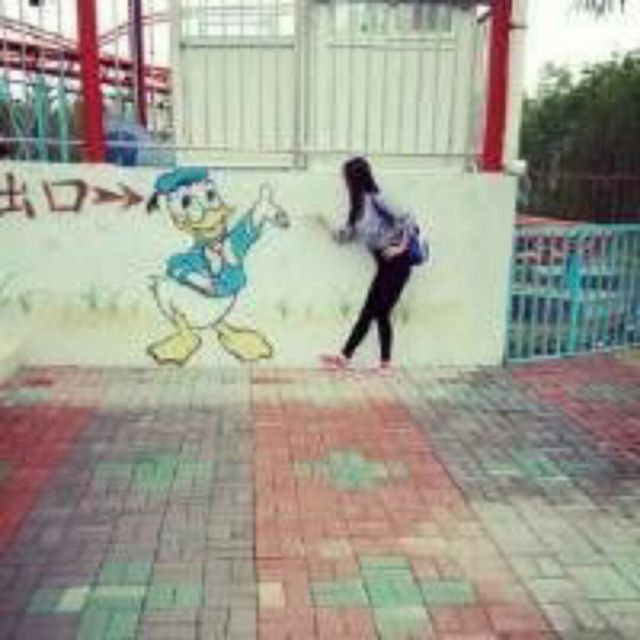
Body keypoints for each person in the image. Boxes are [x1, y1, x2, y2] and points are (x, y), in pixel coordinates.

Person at [321, 156, 415, 372]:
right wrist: (325, 225)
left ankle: (383, 364)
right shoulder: (356, 207)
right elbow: (346, 237)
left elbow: (407, 219)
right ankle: (346, 357)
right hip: (384, 266)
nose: (344, 181)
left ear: (356, 178)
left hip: (399, 264)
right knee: (369, 312)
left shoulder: (376, 199)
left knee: (380, 312)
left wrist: (400, 247)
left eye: (346, 177)